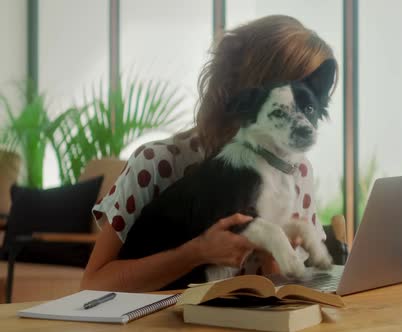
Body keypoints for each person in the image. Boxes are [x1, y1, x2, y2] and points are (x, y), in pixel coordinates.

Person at [81, 15, 336, 292]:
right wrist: (197, 252)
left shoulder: (297, 170)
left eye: (309, 100)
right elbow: (93, 285)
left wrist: (272, 250)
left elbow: (279, 287)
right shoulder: (156, 163)